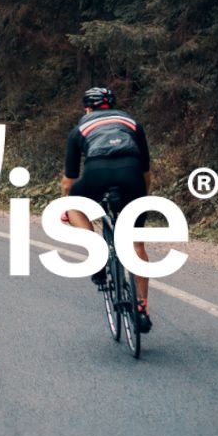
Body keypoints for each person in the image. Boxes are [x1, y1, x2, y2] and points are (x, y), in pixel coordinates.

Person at [60, 87, 154, 332]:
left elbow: (69, 182)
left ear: (87, 108)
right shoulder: (132, 123)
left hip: (97, 172)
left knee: (74, 206)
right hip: (132, 175)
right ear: (113, 106)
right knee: (136, 244)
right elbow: (146, 173)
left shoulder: (79, 129)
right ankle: (142, 308)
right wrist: (142, 198)